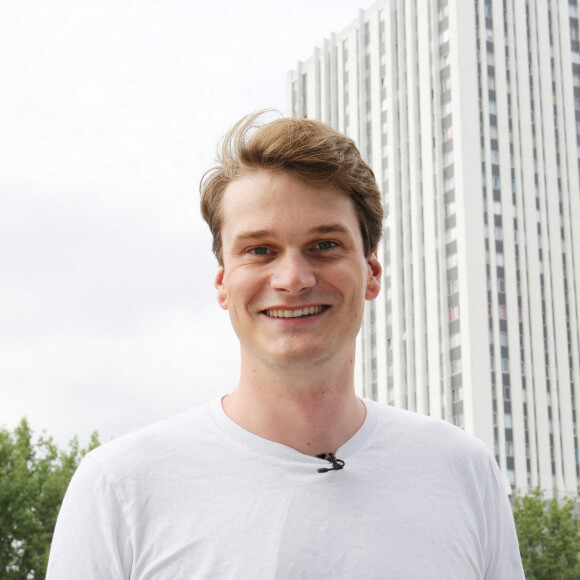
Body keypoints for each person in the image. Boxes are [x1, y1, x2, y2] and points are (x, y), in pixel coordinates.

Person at [47, 112, 525, 579]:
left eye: (325, 245)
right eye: (260, 250)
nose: (293, 280)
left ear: (372, 273)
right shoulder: (120, 486)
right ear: (223, 283)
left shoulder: (462, 471)